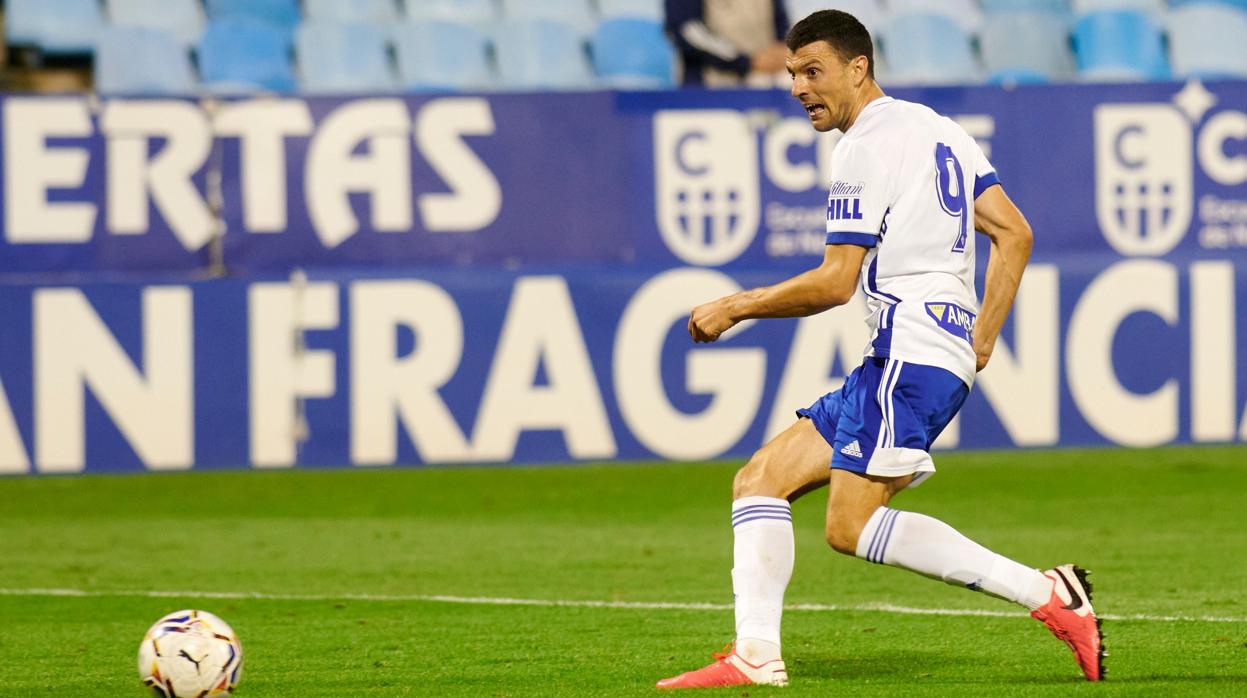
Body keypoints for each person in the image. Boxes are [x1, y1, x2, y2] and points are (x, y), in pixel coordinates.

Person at [656, 9, 1104, 689]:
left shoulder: (863, 145)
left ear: (856, 67)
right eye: (791, 74)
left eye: (813, 71)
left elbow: (836, 283)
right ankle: (753, 655)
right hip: (918, 352)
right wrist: (979, 336)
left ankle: (1046, 594)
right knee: (759, 480)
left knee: (850, 526)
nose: (799, 88)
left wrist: (733, 306)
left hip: (909, 353)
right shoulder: (937, 129)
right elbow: (1013, 233)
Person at [664, 0, 790, 87]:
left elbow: (782, 25)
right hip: (710, 89)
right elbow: (690, 32)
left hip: (767, 83)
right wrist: (748, 62)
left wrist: (781, 52)